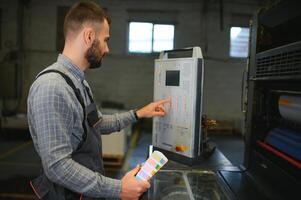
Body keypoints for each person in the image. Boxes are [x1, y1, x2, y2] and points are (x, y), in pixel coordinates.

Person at [27, 1, 170, 200]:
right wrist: (118, 188)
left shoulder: (77, 82)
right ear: (89, 36)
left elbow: (95, 124)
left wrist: (139, 113)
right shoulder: (52, 87)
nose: (107, 48)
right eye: (105, 39)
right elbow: (57, 166)